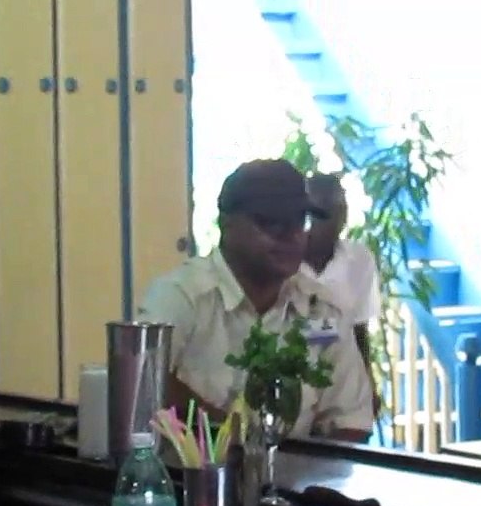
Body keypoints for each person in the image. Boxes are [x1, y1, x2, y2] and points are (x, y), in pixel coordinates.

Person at [137, 159, 375, 442]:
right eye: (271, 223)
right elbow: (141, 377)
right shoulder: (183, 297)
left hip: (294, 479)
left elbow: (351, 421)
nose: (291, 235)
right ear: (226, 223)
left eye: (299, 221)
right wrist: (236, 437)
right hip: (190, 479)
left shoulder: (322, 312)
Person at [300, 172, 382, 415]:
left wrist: (369, 384)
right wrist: (335, 329)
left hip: (343, 377)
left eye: (341, 209)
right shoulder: (284, 261)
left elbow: (359, 330)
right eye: (323, 211)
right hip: (294, 375)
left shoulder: (359, 259)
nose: (336, 219)